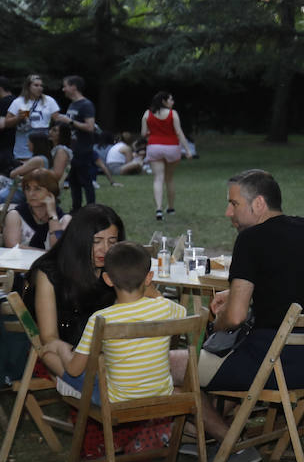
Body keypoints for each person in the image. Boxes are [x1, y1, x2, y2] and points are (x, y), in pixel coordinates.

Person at [196, 170, 304, 462]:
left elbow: (234, 318)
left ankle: (231, 442)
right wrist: (235, 292)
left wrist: (214, 323)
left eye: (234, 204)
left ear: (258, 204)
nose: (228, 212)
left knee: (169, 366)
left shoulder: (250, 240)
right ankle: (211, 432)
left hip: (274, 366)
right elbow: (287, 280)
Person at [41, 241, 185, 404]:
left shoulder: (100, 318)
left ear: (108, 279)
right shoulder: (165, 308)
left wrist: (61, 348)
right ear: (149, 278)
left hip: (116, 400)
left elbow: (74, 370)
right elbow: (183, 314)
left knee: (49, 355)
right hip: (160, 393)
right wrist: (156, 294)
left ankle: (72, 389)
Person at [24, 204, 123, 381]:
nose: (105, 249)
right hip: (61, 355)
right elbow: (49, 338)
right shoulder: (49, 273)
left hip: (104, 353)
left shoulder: (114, 267)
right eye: (96, 241)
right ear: (80, 240)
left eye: (112, 242)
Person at [141, 91, 193, 221]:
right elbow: (179, 132)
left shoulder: (147, 114)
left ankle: (158, 209)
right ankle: (170, 208)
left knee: (158, 178)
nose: (172, 102)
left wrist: (151, 133)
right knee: (169, 178)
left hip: (154, 147)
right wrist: (187, 150)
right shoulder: (173, 114)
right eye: (170, 100)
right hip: (171, 147)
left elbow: (143, 133)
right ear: (164, 101)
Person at [53, 75, 97, 210]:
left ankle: (91, 208)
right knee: (73, 181)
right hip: (72, 149)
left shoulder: (86, 105)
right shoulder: (73, 105)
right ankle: (76, 209)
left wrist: (69, 121)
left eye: (65, 86)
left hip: (83, 149)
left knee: (86, 181)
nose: (63, 89)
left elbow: (90, 127)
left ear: (74, 87)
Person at [4, 170, 70, 250]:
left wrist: (52, 214)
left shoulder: (65, 219)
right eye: (27, 189)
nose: (31, 194)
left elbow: (58, 247)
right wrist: (47, 255)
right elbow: (13, 247)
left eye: (37, 189)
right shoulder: (15, 215)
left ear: (51, 192)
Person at [6, 75, 59, 161]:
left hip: (43, 138)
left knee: (42, 165)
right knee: (24, 168)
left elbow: (58, 120)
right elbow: (7, 123)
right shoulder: (18, 102)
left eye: (41, 86)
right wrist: (18, 118)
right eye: (36, 85)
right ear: (28, 86)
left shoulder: (49, 100)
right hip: (24, 140)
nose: (40, 88)